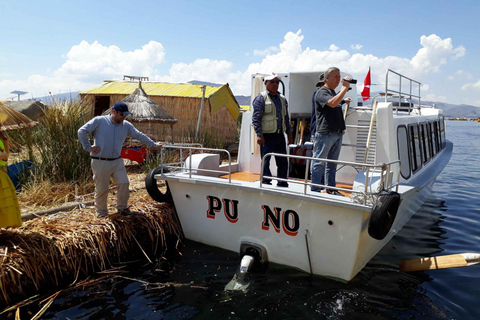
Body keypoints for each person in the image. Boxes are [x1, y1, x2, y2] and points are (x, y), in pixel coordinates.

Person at [78, 102, 162, 217]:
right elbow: (82, 131)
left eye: (126, 115)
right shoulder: (99, 121)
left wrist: (153, 144)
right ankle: (101, 213)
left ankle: (122, 209)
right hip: (100, 161)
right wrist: (88, 147)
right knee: (102, 189)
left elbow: (139, 135)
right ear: (114, 112)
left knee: (124, 184)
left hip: (117, 161)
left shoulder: (126, 125)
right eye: (122, 114)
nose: (124, 117)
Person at [311, 67, 352, 195]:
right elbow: (333, 104)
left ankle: (331, 189)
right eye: (335, 76)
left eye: (339, 76)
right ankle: (315, 189)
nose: (338, 79)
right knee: (319, 163)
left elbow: (336, 107)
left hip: (336, 133)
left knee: (332, 164)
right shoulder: (321, 92)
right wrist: (344, 88)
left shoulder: (332, 93)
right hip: (325, 133)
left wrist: (341, 128)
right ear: (327, 78)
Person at [252, 73, 292, 187]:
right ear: (265, 83)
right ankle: (266, 182)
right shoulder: (261, 98)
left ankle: (282, 182)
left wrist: (289, 134)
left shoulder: (282, 99)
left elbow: (286, 117)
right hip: (266, 136)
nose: (275, 84)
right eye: (272, 82)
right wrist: (259, 135)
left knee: (283, 161)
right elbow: (256, 119)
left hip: (280, 135)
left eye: (277, 82)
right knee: (266, 161)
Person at [310, 72, 325, 140]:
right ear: (322, 84)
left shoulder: (327, 94)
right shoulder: (318, 93)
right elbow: (331, 103)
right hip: (317, 130)